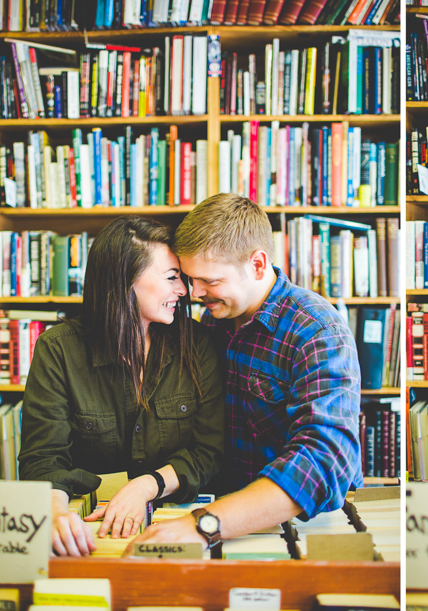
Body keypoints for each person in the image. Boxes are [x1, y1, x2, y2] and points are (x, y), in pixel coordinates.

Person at [128, 194, 362, 550]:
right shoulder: (216, 316)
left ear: (257, 264)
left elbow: (324, 458)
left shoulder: (316, 329)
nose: (195, 292)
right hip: (220, 513)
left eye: (210, 281)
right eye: (190, 279)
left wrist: (206, 524)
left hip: (298, 523)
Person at [19, 216, 224, 557]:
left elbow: (208, 451)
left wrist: (146, 486)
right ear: (126, 280)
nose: (183, 291)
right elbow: (43, 459)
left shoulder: (197, 343)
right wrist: (56, 515)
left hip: (179, 525)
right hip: (92, 528)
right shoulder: (58, 349)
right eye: (172, 278)